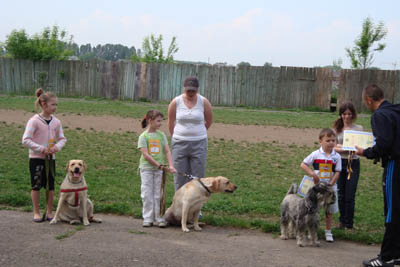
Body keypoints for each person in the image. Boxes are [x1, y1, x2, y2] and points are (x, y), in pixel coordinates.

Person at [355, 84, 400, 267]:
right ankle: (397, 254)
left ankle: (386, 257)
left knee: (391, 212)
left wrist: (365, 152)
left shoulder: (380, 115)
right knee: (398, 210)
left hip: (394, 165)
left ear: (369, 100)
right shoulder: (396, 110)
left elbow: (384, 145)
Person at [22, 88, 67, 222]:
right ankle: (36, 212)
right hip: (36, 159)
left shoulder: (56, 122)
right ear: (43, 104)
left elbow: (62, 139)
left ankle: (49, 212)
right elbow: (25, 140)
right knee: (36, 186)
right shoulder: (34, 121)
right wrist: (41, 149)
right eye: (53, 104)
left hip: (50, 160)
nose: (55, 107)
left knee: (50, 187)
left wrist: (56, 148)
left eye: (56, 104)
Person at [168, 76, 213, 192]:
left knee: (198, 176)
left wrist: (199, 132)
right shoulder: (176, 102)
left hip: (199, 143)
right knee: (180, 176)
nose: (191, 93)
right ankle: (179, 207)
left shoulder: (204, 102)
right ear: (184, 88)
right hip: (179, 143)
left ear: (197, 89)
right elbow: (171, 122)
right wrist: (177, 136)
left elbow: (209, 121)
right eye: (188, 90)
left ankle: (196, 208)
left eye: (193, 90)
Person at [300, 128, 341, 242]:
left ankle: (328, 231)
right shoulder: (316, 154)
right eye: (328, 140)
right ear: (320, 141)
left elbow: (338, 171)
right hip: (316, 188)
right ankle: (311, 231)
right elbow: (303, 164)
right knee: (311, 209)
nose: (331, 143)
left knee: (329, 210)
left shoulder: (336, 156)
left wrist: (332, 184)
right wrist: (312, 174)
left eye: (333, 140)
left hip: (330, 187)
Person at [138, 110, 176, 228]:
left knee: (158, 194)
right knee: (147, 193)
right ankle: (148, 218)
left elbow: (167, 151)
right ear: (150, 121)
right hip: (147, 169)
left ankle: (159, 217)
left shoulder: (161, 135)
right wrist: (157, 165)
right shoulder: (143, 136)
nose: (160, 123)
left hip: (159, 169)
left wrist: (170, 166)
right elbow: (146, 155)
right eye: (158, 121)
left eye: (161, 121)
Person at [333, 102, 363, 230]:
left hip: (353, 163)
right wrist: (343, 149)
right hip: (340, 163)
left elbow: (362, 147)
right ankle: (341, 222)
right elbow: (332, 146)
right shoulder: (336, 130)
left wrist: (351, 149)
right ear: (341, 115)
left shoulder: (359, 129)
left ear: (353, 115)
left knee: (350, 195)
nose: (347, 116)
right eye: (344, 114)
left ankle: (349, 224)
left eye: (349, 114)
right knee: (340, 194)